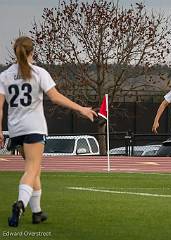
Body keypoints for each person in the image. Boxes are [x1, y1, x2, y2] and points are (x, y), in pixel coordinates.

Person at [0, 36, 97, 227]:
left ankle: (37, 213)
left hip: (16, 129)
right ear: (31, 52)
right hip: (34, 127)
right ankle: (20, 204)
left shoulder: (5, 75)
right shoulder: (38, 72)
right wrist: (81, 109)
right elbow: (55, 97)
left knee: (34, 169)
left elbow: (0, 107)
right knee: (31, 169)